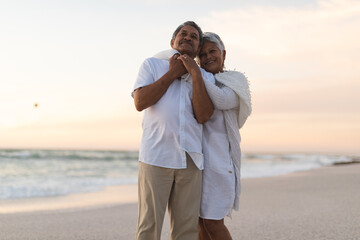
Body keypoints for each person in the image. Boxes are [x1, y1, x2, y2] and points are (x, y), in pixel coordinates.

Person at [132, 21, 215, 240]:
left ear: (197, 48)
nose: (188, 37)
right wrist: (172, 73)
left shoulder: (204, 77)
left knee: (186, 231)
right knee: (149, 227)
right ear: (172, 41)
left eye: (194, 36)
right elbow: (140, 102)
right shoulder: (152, 65)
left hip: (191, 160)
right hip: (156, 157)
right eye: (183, 34)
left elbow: (204, 116)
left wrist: (195, 75)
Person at [196, 32, 252, 240]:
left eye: (212, 51)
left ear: (223, 54)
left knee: (212, 222)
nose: (208, 56)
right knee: (199, 222)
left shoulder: (235, 80)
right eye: (202, 54)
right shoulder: (200, 80)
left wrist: (195, 72)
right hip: (199, 163)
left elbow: (221, 100)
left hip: (221, 164)